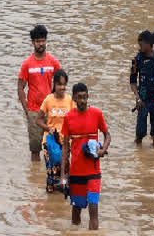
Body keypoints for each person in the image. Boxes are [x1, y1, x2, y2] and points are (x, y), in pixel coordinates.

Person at [61, 83, 110, 230]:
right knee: (76, 211)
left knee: (93, 210)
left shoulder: (97, 114)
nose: (82, 100)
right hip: (76, 172)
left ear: (88, 96)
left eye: (84, 97)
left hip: (94, 172)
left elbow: (107, 135)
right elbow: (65, 148)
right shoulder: (68, 117)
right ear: (74, 98)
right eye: (79, 97)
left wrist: (103, 150)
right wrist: (63, 175)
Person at [17, 24, 62, 162]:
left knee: (53, 147)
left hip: (51, 111)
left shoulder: (53, 62)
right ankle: (35, 172)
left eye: (43, 40)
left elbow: (61, 83)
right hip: (34, 111)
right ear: (33, 42)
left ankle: (49, 172)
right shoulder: (27, 64)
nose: (41, 44)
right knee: (35, 149)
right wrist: (26, 110)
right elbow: (20, 88)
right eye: (38, 41)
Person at [35, 69, 73, 194]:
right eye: (59, 84)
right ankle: (50, 200)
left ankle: (62, 200)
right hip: (50, 141)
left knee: (64, 172)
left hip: (65, 141)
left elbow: (75, 118)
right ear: (54, 84)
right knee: (51, 172)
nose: (62, 87)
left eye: (64, 84)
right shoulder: (48, 100)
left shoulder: (69, 100)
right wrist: (48, 129)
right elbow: (38, 120)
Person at [130, 29, 154, 147]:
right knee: (140, 133)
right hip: (143, 101)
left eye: (141, 45)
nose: (139, 47)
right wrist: (137, 98)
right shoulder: (137, 59)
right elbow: (132, 82)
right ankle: (138, 152)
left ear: (149, 44)